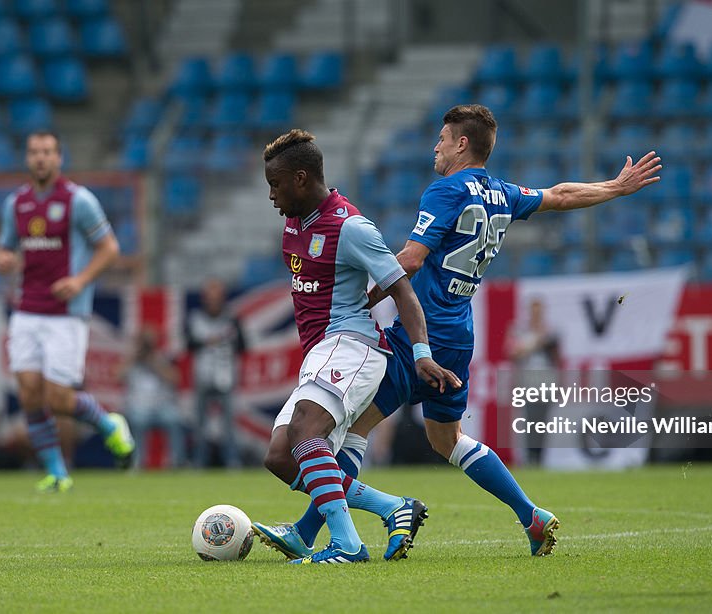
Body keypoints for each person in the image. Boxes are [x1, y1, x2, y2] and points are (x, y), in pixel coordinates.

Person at [260, 104, 661, 558]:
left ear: (461, 144)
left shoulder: (445, 191)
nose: (436, 146)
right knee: (445, 439)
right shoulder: (501, 192)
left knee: (350, 430)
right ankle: (530, 514)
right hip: (460, 330)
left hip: (421, 332)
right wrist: (615, 187)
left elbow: (408, 261)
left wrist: (359, 295)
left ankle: (338, 529)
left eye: (442, 138)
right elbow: (561, 196)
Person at [251, 129, 461, 564]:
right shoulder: (293, 223)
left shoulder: (351, 227)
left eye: (276, 184)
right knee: (280, 456)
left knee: (306, 433)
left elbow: (404, 291)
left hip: (354, 344)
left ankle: (346, 544)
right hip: (321, 351)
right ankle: (392, 507)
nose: (271, 195)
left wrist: (422, 354)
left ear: (303, 178)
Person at [0, 130, 135, 493]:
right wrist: (5, 260)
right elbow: (3, 249)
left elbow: (109, 247)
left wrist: (80, 280)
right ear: (28, 158)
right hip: (26, 309)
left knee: (57, 398)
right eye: (34, 152)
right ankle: (57, 472)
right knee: (28, 394)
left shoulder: (78, 201)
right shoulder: (16, 204)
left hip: (66, 311)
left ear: (59, 158)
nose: (40, 158)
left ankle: (109, 425)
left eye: (47, 152)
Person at [186, 278, 246, 468]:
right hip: (203, 375)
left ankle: (231, 461)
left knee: (229, 424)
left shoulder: (231, 318)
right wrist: (207, 342)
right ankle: (199, 461)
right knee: (200, 424)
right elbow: (188, 345)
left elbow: (244, 346)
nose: (213, 302)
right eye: (209, 298)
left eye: (216, 298)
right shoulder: (196, 318)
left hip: (225, 375)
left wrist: (226, 342)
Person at [121, 327, 185, 469]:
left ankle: (176, 462)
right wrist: (134, 359)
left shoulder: (162, 358)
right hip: (138, 407)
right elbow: (117, 375)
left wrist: (154, 363)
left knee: (174, 419)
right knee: (138, 420)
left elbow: (175, 378)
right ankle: (137, 462)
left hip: (161, 407)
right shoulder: (132, 360)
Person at [508, 298, 561, 466]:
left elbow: (557, 358)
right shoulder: (520, 330)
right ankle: (530, 457)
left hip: (546, 381)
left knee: (542, 422)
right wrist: (537, 343)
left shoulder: (550, 331)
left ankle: (539, 458)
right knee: (529, 420)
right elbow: (513, 353)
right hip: (528, 381)